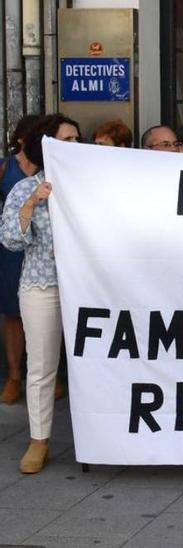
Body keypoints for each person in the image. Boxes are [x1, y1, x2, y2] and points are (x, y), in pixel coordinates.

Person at [1, 113, 81, 474]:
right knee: (42, 366)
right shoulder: (25, 188)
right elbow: (12, 240)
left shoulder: (92, 185)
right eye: (66, 140)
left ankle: (100, 433)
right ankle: (39, 439)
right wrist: (33, 202)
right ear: (46, 146)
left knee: (95, 361)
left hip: (87, 284)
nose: (74, 146)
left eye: (77, 139)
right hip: (42, 283)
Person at [0, 115, 38, 404]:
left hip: (41, 249)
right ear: (22, 139)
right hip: (12, 250)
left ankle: (50, 374)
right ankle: (14, 376)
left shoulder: (50, 167)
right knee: (13, 313)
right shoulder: (5, 167)